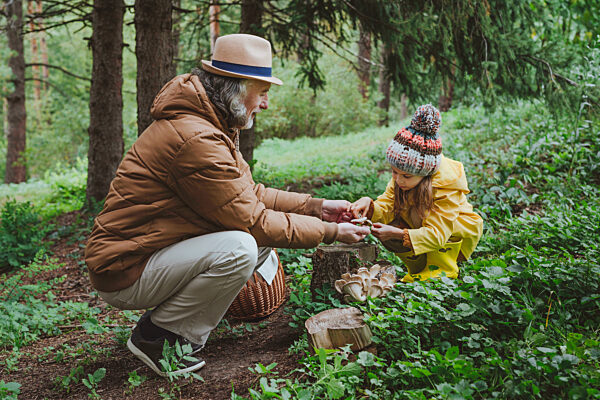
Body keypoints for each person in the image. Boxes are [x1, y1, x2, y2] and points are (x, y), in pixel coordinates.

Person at [84, 34, 370, 377]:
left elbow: (249, 193)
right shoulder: (196, 138)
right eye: (262, 93)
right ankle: (157, 337)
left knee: (250, 243)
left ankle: (181, 319)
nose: (265, 104)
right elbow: (253, 220)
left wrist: (316, 207)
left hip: (148, 253)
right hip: (124, 269)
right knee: (241, 246)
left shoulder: (209, 123)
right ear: (237, 88)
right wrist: (331, 231)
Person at [349, 104, 483, 283]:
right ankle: (419, 267)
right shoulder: (401, 178)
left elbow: (438, 233)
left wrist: (398, 234)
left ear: (425, 173)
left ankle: (442, 268)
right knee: (393, 220)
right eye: (394, 172)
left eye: (406, 175)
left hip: (452, 230)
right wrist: (370, 207)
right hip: (421, 224)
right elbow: (387, 205)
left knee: (426, 222)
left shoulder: (446, 186)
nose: (398, 180)